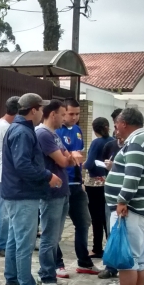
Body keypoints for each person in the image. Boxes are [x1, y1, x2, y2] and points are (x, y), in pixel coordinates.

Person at [0, 93, 61, 285]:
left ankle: (12, 282)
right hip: (22, 194)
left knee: (15, 241)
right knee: (24, 244)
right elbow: (23, 165)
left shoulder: (20, 129)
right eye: (41, 109)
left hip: (17, 192)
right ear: (33, 110)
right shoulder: (23, 132)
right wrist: (47, 176)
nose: (43, 113)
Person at [101, 108, 144, 285]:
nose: (115, 128)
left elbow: (132, 177)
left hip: (131, 209)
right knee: (140, 257)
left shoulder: (136, 143)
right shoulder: (142, 140)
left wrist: (122, 200)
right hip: (139, 208)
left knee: (128, 258)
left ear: (123, 122)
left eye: (116, 123)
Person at [35, 100, 74, 285]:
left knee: (56, 237)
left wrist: (70, 157)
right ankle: (46, 277)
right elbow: (64, 160)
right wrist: (70, 158)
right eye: (62, 114)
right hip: (51, 193)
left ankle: (49, 272)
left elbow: (70, 157)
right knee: (49, 237)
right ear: (52, 115)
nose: (65, 118)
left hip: (62, 191)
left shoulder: (55, 134)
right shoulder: (42, 134)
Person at [57, 99, 99, 275]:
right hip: (60, 185)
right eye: (71, 114)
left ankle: (84, 261)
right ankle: (56, 263)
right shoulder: (55, 131)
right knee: (55, 227)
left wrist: (81, 180)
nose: (74, 117)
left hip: (76, 185)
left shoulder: (78, 131)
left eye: (77, 114)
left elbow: (79, 157)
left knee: (84, 222)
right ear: (62, 113)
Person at [0, 97, 20, 257]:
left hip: (4, 173)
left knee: (7, 210)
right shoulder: (5, 127)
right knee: (4, 210)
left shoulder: (5, 125)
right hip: (3, 174)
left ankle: (3, 242)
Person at [99, 108, 124, 281]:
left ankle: (124, 269)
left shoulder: (134, 146)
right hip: (111, 194)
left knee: (125, 234)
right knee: (111, 230)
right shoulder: (110, 145)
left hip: (125, 197)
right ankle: (111, 266)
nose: (116, 130)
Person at [84, 117, 112, 259]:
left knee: (96, 217)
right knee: (107, 216)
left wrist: (81, 164)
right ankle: (111, 246)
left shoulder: (96, 142)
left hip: (94, 183)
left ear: (94, 130)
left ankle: (96, 248)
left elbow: (89, 164)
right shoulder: (112, 141)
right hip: (108, 182)